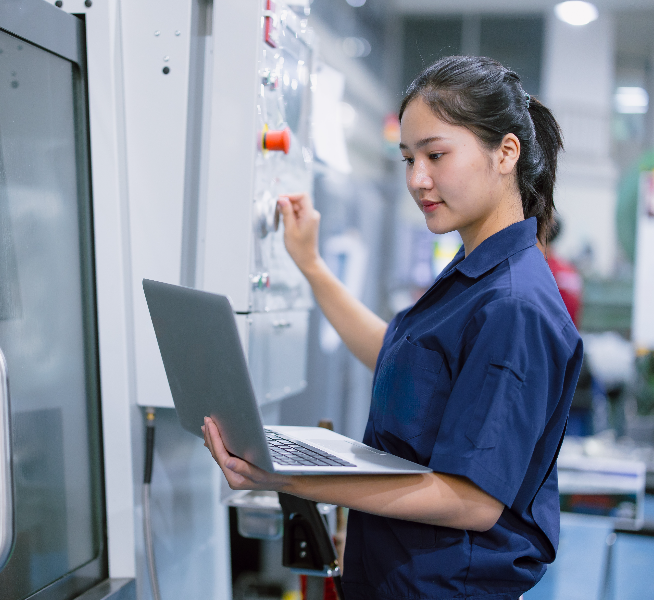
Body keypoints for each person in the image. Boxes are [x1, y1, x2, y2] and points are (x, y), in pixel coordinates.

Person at [203, 56, 583, 600]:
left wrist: (292, 477)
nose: (417, 180)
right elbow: (397, 354)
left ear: (506, 152)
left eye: (436, 155)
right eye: (408, 158)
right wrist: (309, 265)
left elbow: (472, 501)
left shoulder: (515, 304)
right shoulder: (473, 276)